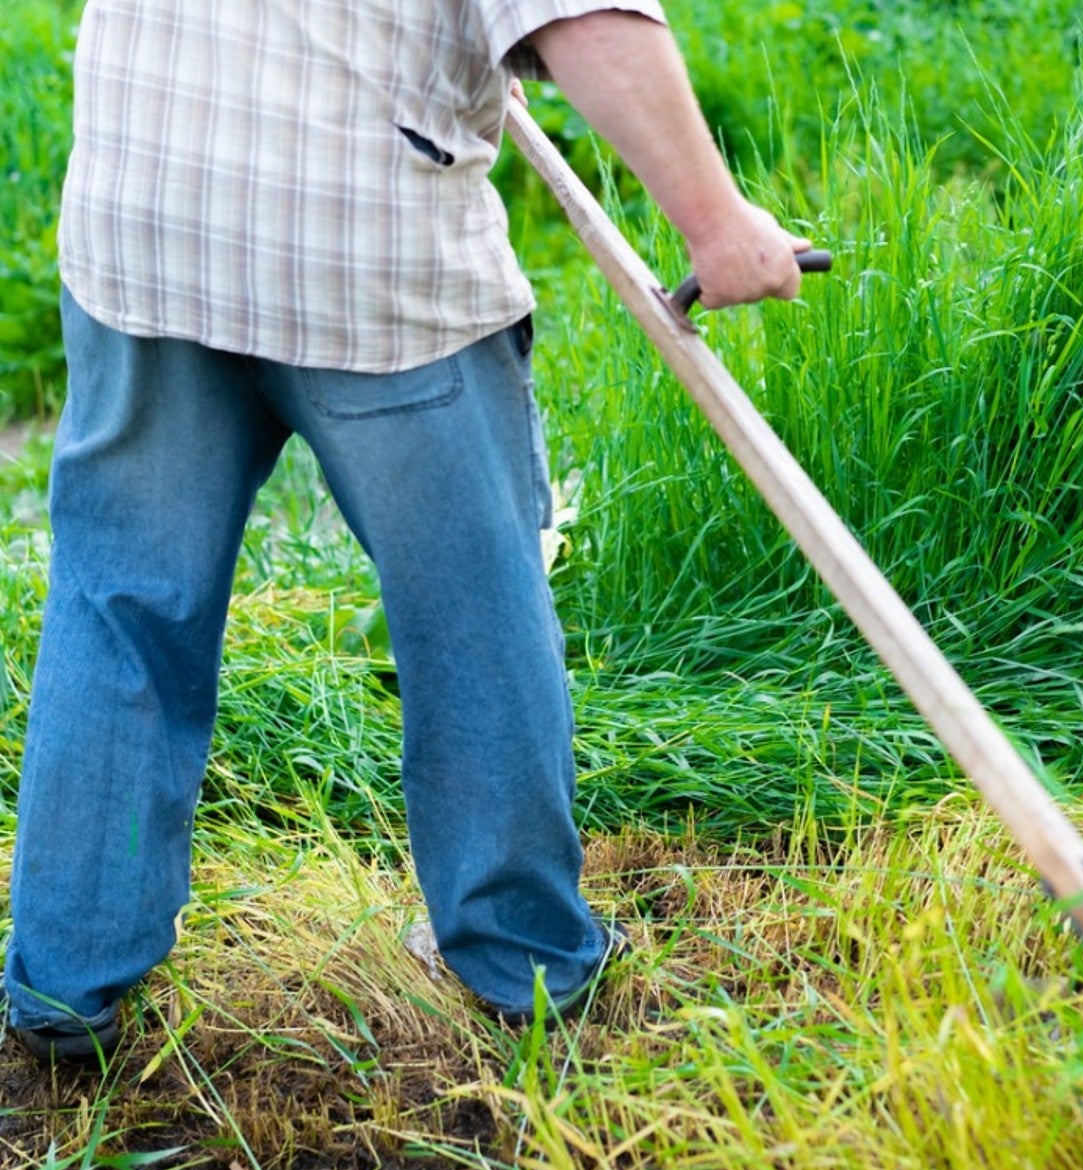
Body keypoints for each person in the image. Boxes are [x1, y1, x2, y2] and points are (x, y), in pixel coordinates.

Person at [4, 0, 809, 1066]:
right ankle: (524, 959)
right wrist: (717, 224)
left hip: (149, 208)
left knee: (123, 608)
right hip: (359, 245)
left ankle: (64, 979)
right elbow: (586, 15)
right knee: (472, 610)